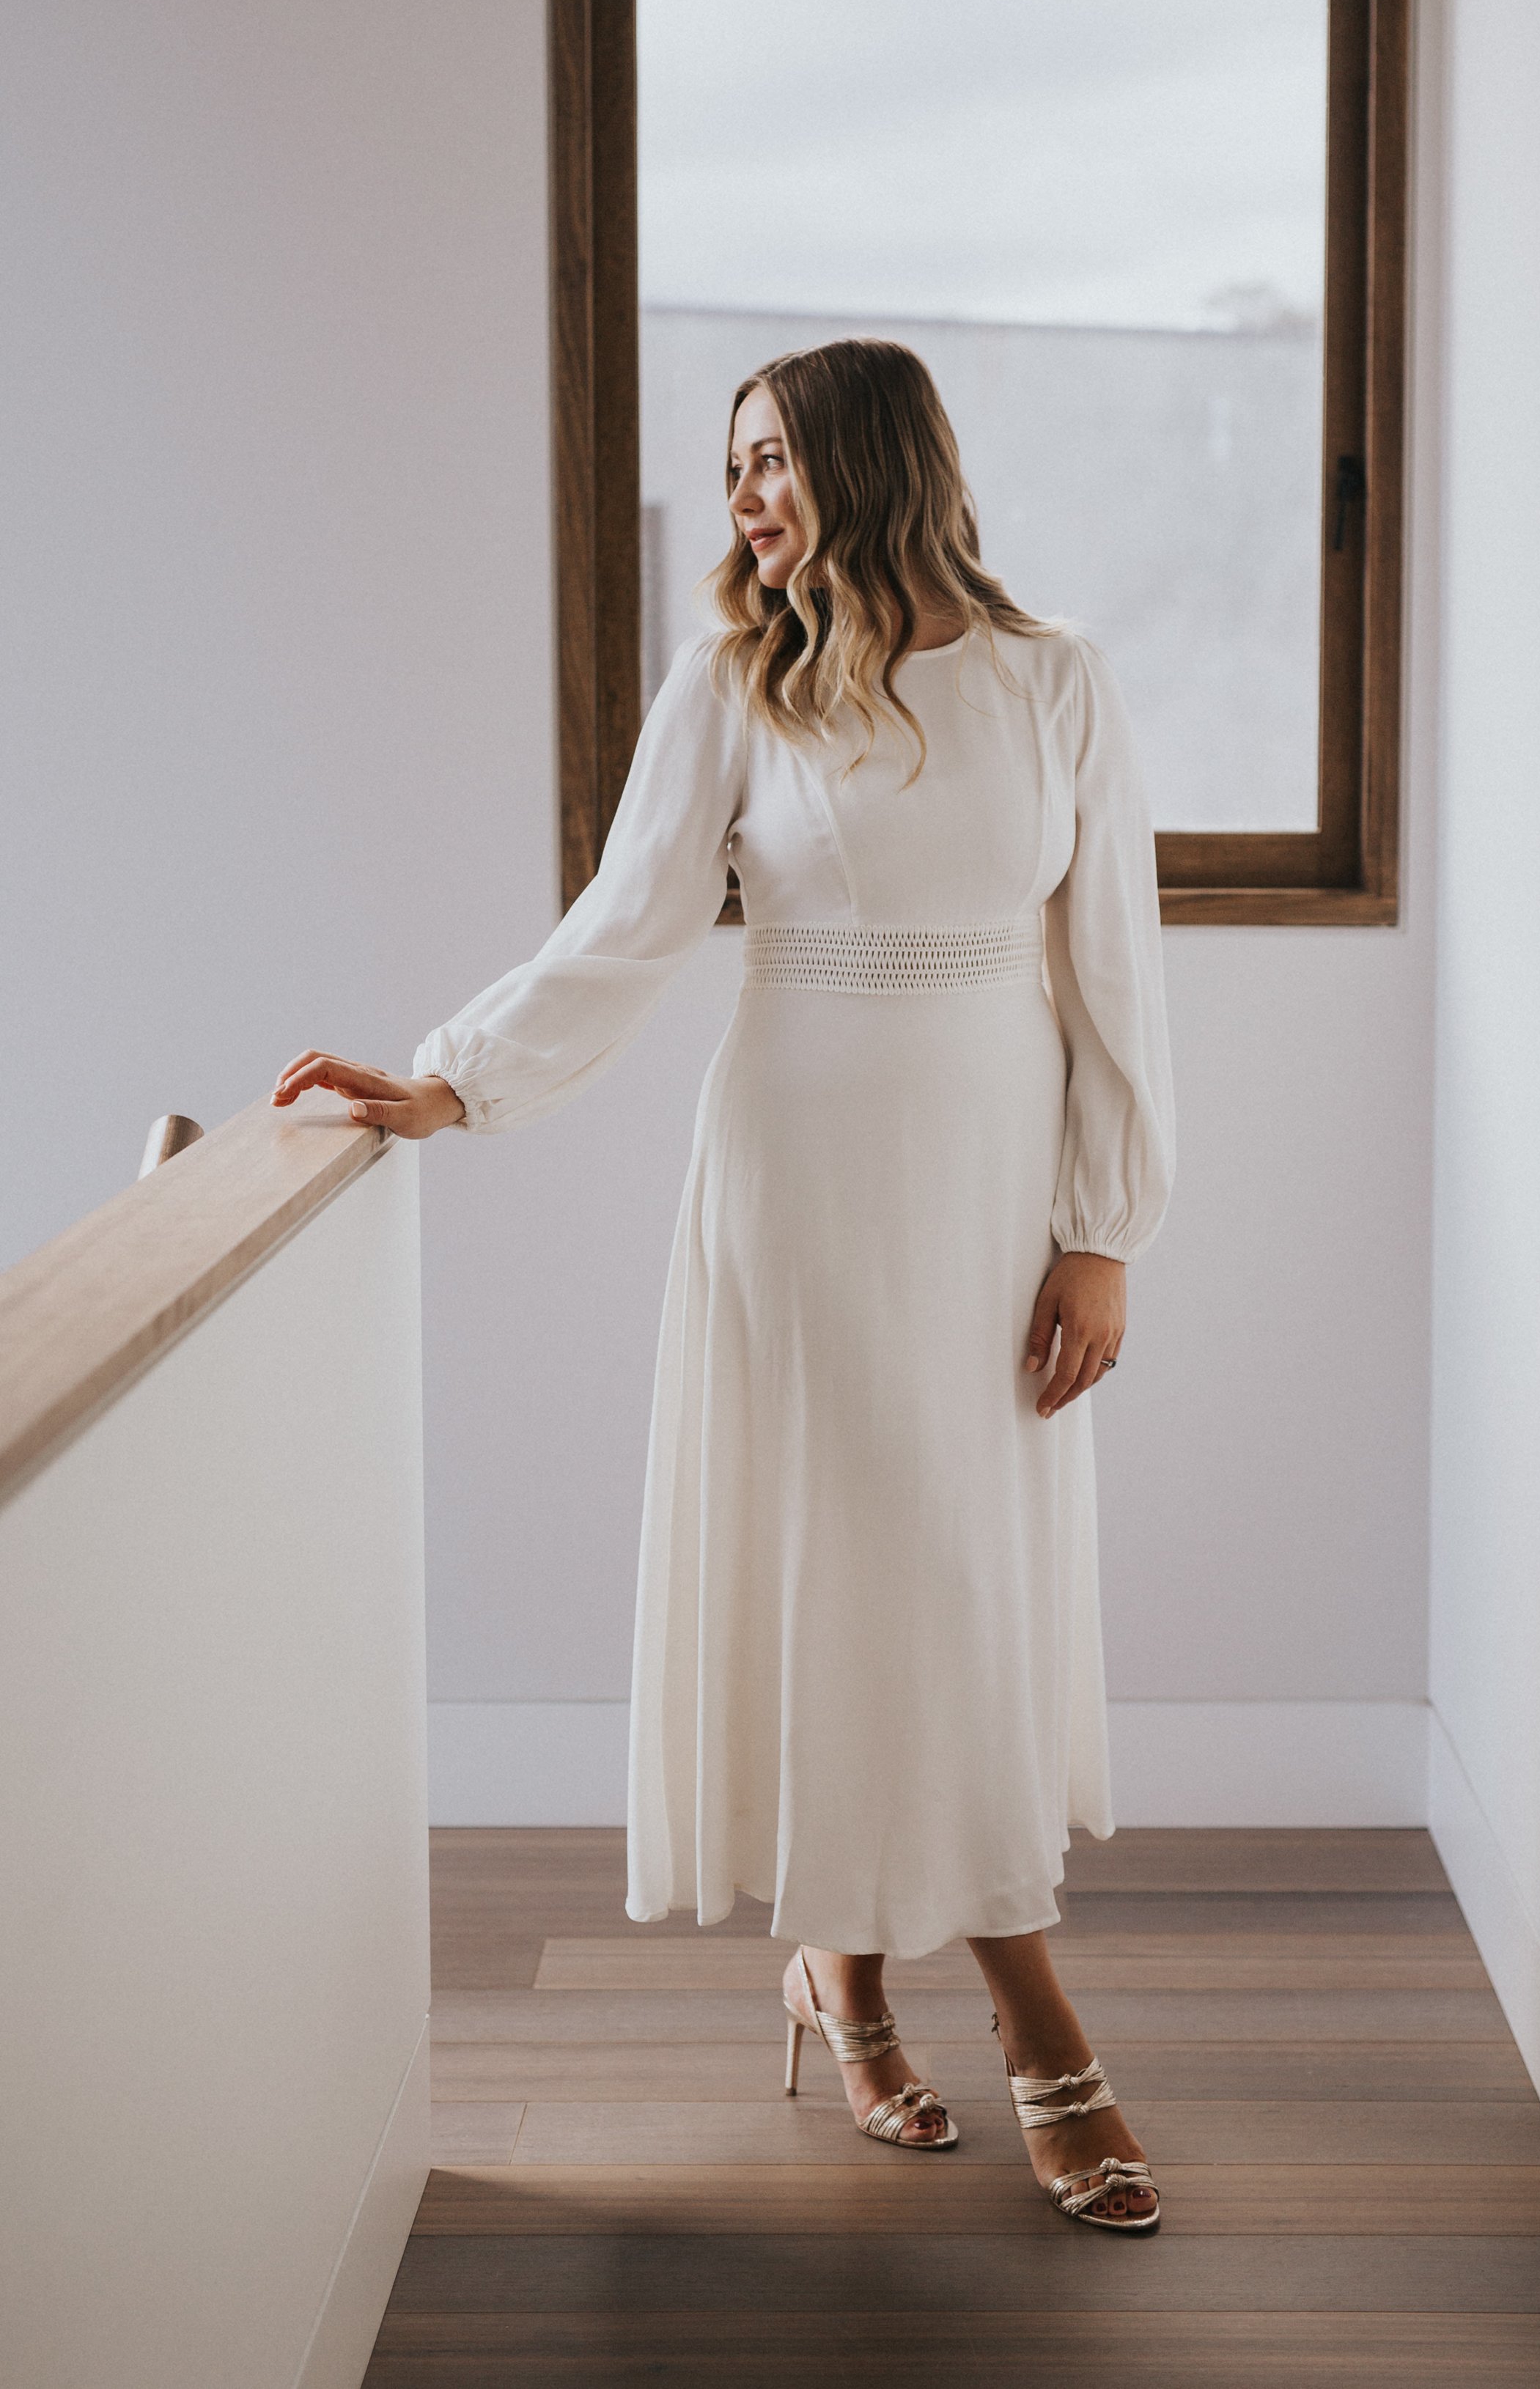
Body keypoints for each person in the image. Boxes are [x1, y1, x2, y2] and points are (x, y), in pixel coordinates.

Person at [274, 339, 1174, 2230]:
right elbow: (622, 933)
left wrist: (1104, 1227)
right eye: (737, 463)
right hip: (795, 1178)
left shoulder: (1055, 684)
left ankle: (845, 1974)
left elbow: (1115, 977)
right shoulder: (731, 688)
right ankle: (1007, 2012)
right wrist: (453, 1076)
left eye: (775, 461)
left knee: (959, 1571)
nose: (748, 496)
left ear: (872, 465)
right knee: (845, 1564)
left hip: (994, 1185)